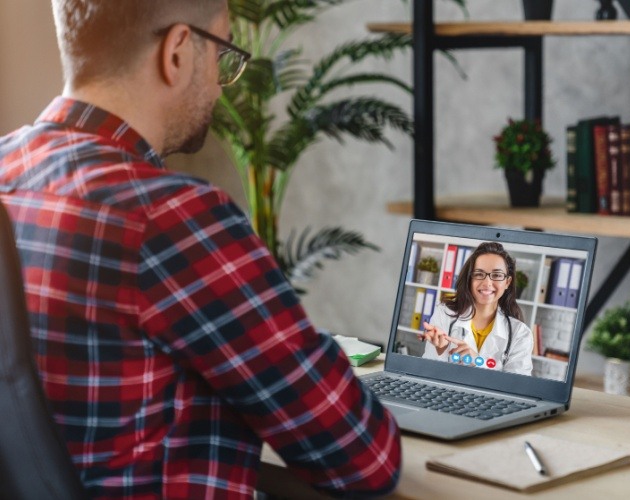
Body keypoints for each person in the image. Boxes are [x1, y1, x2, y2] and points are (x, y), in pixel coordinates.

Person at [0, 1, 400, 498]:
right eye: (224, 57)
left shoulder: (6, 169)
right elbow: (365, 456)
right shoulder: (171, 218)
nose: (219, 84)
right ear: (178, 52)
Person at [420, 242, 534, 375]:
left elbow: (517, 388)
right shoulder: (444, 313)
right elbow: (427, 372)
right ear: (469, 279)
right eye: (479, 274)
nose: (487, 283)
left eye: (496, 275)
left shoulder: (520, 334)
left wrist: (478, 362)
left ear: (507, 282)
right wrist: (442, 350)